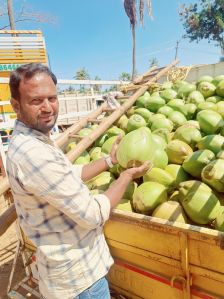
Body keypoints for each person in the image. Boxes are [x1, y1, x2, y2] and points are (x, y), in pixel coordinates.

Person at [6, 63, 150, 299]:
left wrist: (109, 161)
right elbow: (93, 214)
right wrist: (126, 176)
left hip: (68, 279)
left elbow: (67, 175)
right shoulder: (33, 153)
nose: (47, 107)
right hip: (80, 283)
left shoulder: (33, 141)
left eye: (52, 98)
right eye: (36, 100)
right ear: (15, 105)